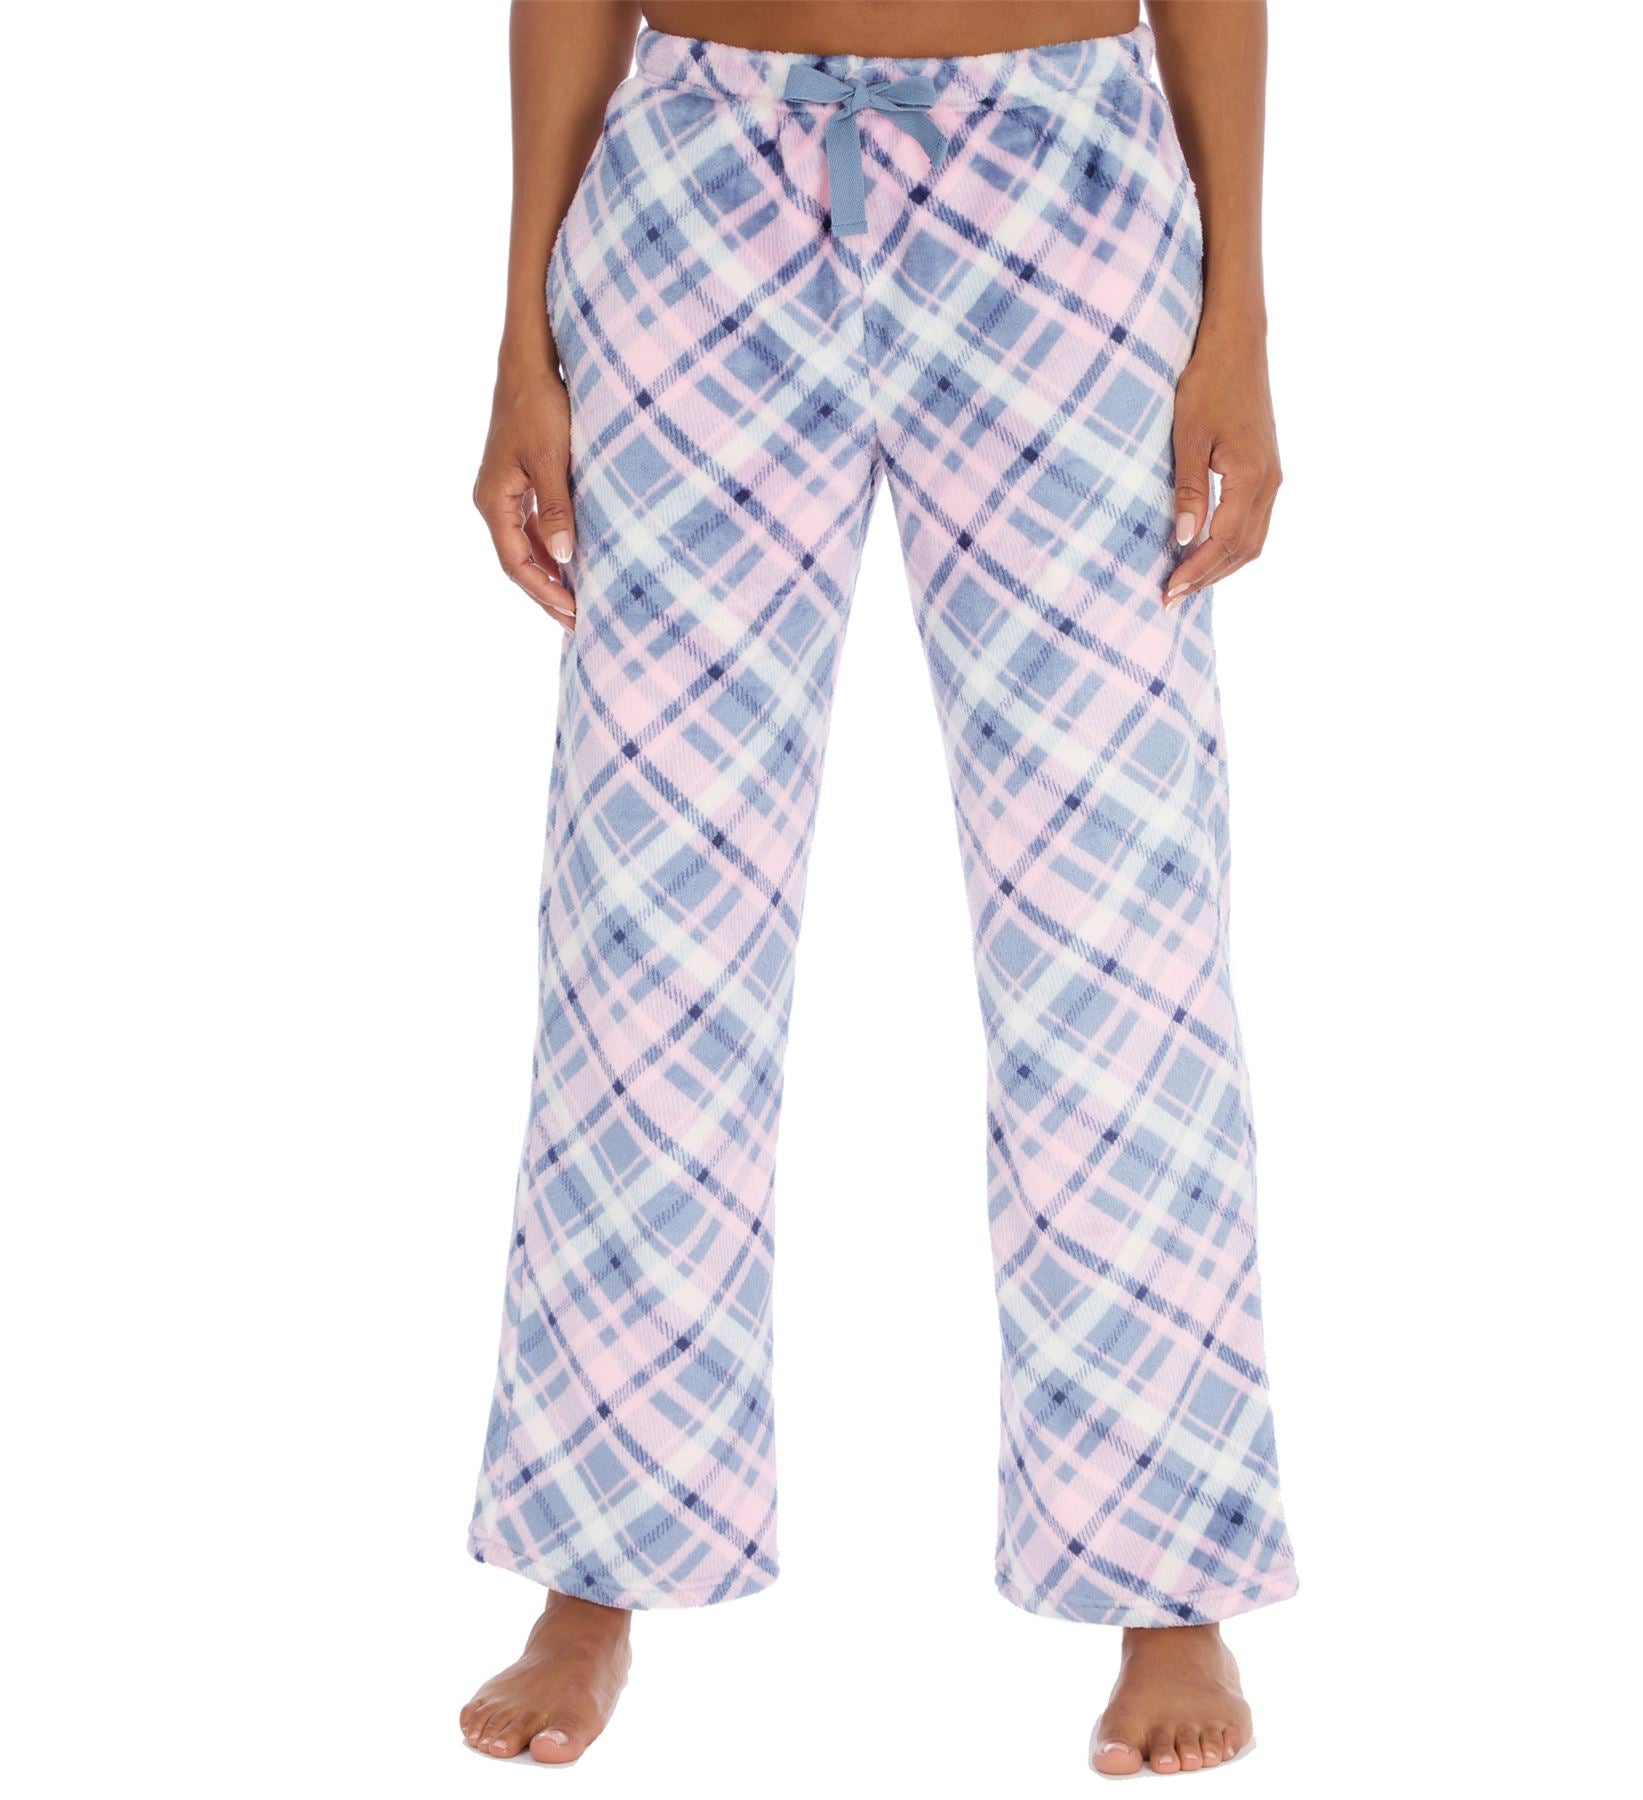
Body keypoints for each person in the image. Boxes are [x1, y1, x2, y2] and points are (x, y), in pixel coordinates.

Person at [462, 0, 1292, 1776]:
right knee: (646, 908)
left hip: (1063, 190)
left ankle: (1170, 1581)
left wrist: (1237, 313)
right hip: (696, 187)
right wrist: (522, 330)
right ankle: (596, 1564)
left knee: (1114, 919)